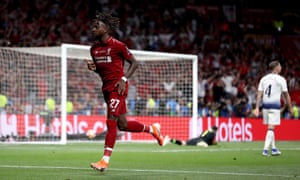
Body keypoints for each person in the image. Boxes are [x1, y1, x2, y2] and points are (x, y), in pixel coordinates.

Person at [85, 11, 164, 172]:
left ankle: (104, 160)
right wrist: (95, 69)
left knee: (111, 120)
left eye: (97, 26)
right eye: (93, 26)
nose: (93, 29)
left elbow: (134, 63)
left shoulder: (118, 46)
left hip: (118, 87)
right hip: (106, 88)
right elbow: (103, 72)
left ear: (106, 28)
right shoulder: (93, 50)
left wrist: (124, 79)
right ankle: (152, 129)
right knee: (123, 124)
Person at [254, 60, 293, 156]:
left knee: (271, 127)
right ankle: (265, 149)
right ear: (276, 67)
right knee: (271, 128)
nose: (281, 67)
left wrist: (257, 108)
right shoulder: (281, 79)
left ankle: (274, 149)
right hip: (274, 106)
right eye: (280, 65)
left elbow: (259, 94)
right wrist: (290, 107)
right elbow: (286, 95)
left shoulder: (264, 79)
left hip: (265, 106)